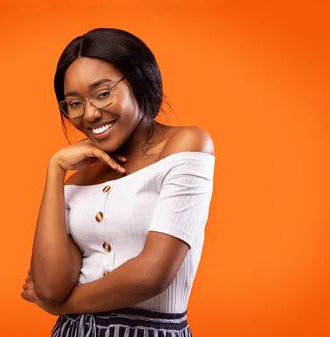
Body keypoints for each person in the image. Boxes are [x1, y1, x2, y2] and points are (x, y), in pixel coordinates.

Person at [21, 27, 215, 337]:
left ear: (138, 81)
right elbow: (49, 286)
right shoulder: (78, 179)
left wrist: (61, 307)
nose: (90, 114)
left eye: (103, 93)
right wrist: (55, 169)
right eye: (74, 103)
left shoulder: (186, 145)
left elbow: (152, 274)